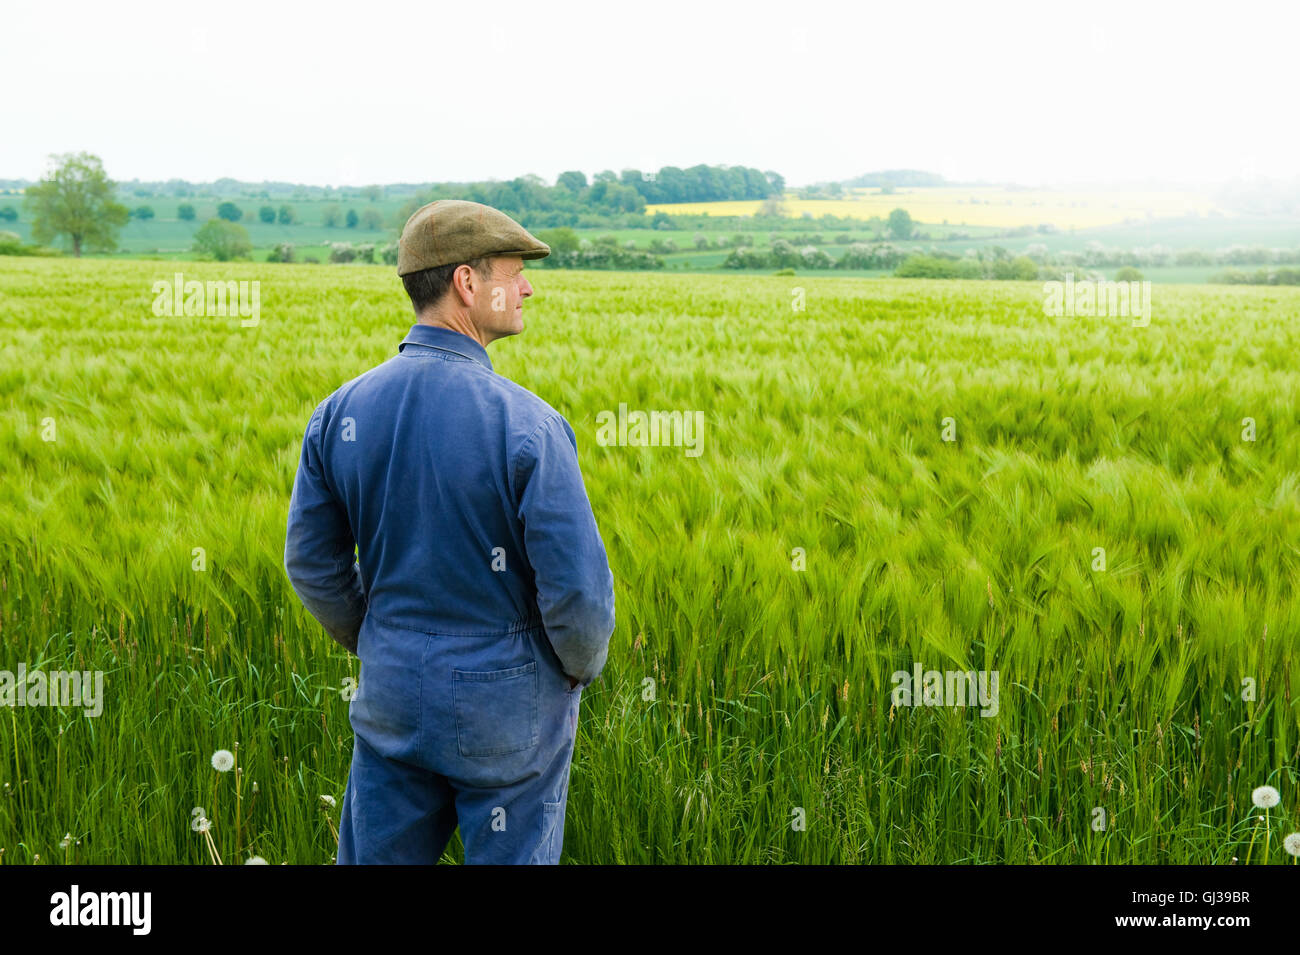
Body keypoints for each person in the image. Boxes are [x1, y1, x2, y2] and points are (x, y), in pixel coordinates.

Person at [283, 199, 616, 864]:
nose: (527, 287)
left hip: (392, 699)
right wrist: (575, 670)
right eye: (513, 272)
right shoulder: (529, 426)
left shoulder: (338, 413)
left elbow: (312, 565)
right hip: (507, 710)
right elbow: (578, 595)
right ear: (467, 282)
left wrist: (380, 636)